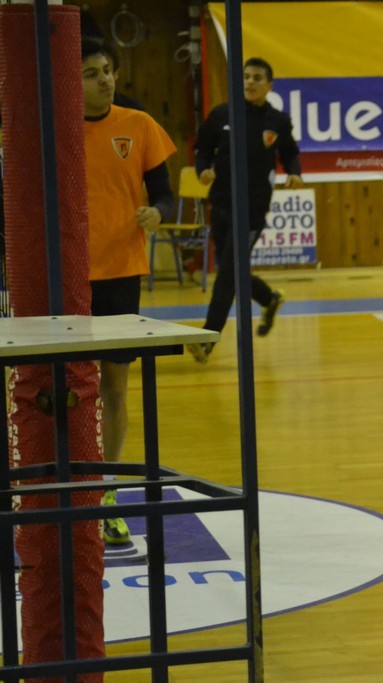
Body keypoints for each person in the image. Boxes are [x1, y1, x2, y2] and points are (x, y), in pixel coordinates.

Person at [81, 37, 176, 544]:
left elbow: (165, 193)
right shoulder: (54, 130)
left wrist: (157, 211)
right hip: (66, 276)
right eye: (92, 73)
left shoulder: (138, 125)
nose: (105, 80)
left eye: (108, 70)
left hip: (120, 273)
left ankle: (107, 492)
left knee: (114, 386)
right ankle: (65, 489)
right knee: (62, 389)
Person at [186, 57, 302, 363]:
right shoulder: (222, 114)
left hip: (252, 209)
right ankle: (268, 297)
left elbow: (290, 153)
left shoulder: (278, 121)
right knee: (233, 270)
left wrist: (294, 171)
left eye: (257, 78)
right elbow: (202, 149)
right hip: (221, 203)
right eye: (246, 76)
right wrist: (202, 169)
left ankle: (208, 338)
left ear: (269, 85)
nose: (250, 82)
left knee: (227, 274)